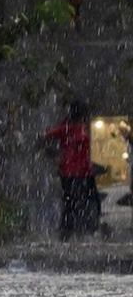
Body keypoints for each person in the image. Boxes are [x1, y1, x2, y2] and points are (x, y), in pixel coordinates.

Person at [43, 100, 99, 241]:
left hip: (81, 172)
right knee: (74, 202)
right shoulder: (68, 128)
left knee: (80, 202)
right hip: (74, 173)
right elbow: (46, 135)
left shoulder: (73, 127)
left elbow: (47, 135)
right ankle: (72, 231)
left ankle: (76, 230)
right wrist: (53, 154)